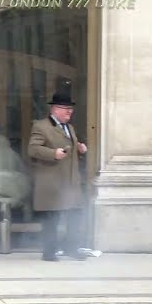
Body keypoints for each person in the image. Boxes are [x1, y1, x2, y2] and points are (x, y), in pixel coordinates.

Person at [27, 92, 88, 262]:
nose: (70, 112)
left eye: (71, 109)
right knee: (51, 219)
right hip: (52, 181)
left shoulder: (70, 128)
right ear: (55, 109)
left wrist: (80, 149)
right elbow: (33, 149)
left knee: (75, 215)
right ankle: (49, 252)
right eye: (66, 109)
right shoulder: (41, 126)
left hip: (70, 182)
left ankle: (71, 248)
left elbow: (69, 150)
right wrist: (53, 153)